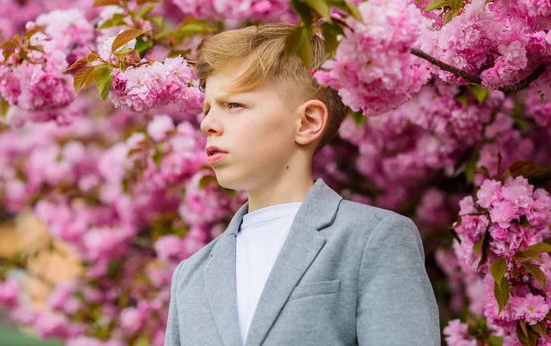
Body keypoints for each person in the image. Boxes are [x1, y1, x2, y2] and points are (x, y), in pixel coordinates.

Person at [164, 24, 440, 346]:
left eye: (234, 105)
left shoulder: (372, 239)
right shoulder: (191, 275)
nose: (207, 123)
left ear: (308, 122)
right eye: (207, 109)